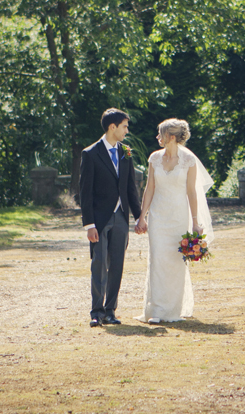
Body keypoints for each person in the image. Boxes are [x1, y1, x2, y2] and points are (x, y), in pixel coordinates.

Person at [135, 118, 214, 324]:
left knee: (174, 261)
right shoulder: (154, 158)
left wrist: (195, 222)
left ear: (170, 137)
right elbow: (149, 188)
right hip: (158, 217)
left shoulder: (188, 160)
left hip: (179, 216)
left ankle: (172, 310)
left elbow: (191, 192)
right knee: (157, 259)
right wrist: (142, 216)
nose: (157, 137)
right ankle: (157, 311)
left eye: (160, 134)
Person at [80, 108, 143, 327]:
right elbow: (85, 193)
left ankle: (110, 311)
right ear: (112, 127)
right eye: (124, 126)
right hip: (99, 219)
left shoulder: (126, 152)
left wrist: (139, 217)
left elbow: (130, 188)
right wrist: (89, 224)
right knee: (99, 264)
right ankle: (96, 312)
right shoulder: (90, 153)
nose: (127, 130)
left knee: (117, 265)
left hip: (121, 217)